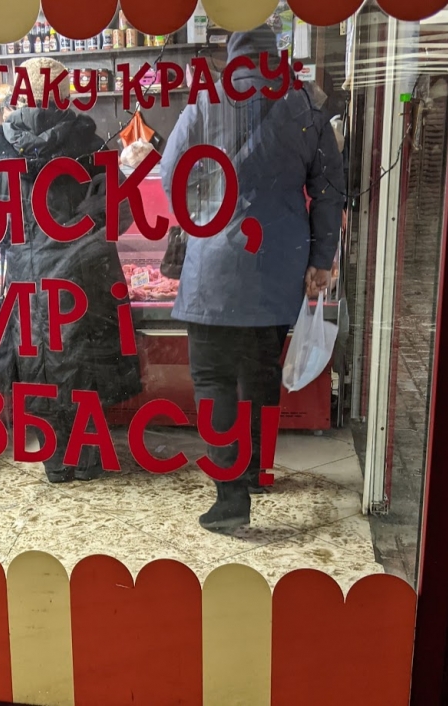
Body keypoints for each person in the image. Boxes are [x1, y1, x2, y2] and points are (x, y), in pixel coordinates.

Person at [161, 27, 345, 534]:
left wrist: (208, 207)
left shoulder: (205, 99)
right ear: (275, 54)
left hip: (212, 269)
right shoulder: (306, 105)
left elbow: (171, 175)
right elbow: (330, 191)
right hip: (278, 265)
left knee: (214, 380)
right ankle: (258, 472)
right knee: (261, 373)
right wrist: (321, 258)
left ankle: (230, 498)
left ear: (233, 52)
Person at [0, 58, 141, 483]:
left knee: (40, 372)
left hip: (28, 285)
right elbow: (120, 215)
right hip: (83, 282)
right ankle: (85, 461)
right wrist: (81, 230)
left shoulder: (0, 154)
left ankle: (56, 463)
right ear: (65, 95)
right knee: (82, 370)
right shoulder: (94, 145)